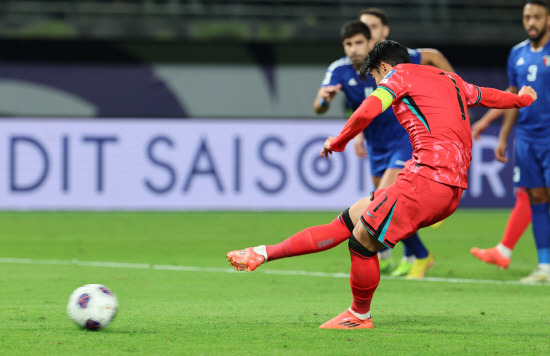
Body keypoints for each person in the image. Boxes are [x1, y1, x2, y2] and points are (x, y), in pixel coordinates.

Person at [228, 40, 536, 329]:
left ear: (385, 67)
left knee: (362, 242)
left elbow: (367, 111)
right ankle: (262, 252)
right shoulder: (449, 79)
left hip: (426, 180)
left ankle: (359, 314)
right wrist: (521, 99)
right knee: (350, 220)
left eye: (375, 77)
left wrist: (339, 140)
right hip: (446, 186)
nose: (377, 84)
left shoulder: (398, 76)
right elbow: (488, 95)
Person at [356, 7, 455, 275]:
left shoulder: (397, 57)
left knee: (383, 201)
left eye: (373, 27)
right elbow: (359, 104)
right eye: (363, 29)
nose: (368, 33)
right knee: (386, 204)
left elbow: (433, 55)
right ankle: (414, 254)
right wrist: (357, 134)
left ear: (384, 31)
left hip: (403, 140)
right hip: (377, 146)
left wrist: (455, 84)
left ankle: (408, 254)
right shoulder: (352, 65)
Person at [473, 0, 550, 282]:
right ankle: (545, 267)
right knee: (537, 198)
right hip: (527, 138)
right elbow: (514, 96)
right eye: (527, 16)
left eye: (537, 17)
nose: (531, 22)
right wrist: (495, 129)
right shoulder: (517, 53)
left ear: (549, 19)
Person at [469, 110, 532, 270]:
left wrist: (486, 119)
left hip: (538, 137)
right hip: (536, 136)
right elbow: (513, 94)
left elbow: (513, 95)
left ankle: (504, 250)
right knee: (529, 194)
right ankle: (504, 250)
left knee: (531, 194)